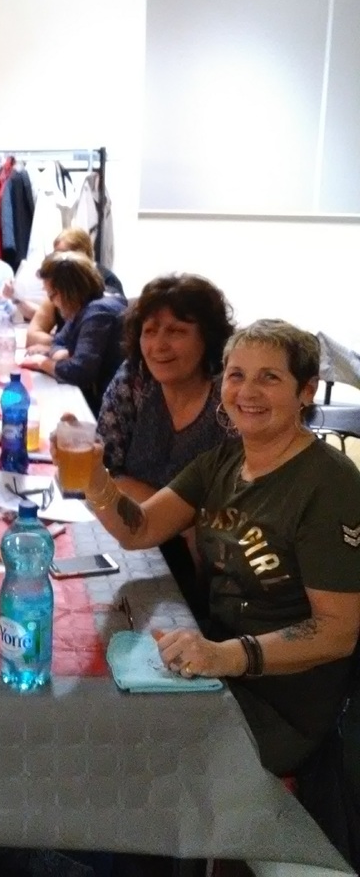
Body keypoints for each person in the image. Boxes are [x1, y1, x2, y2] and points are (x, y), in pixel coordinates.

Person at [82, 320, 360, 776]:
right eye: (237, 375)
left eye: (269, 377)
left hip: (280, 706)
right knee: (97, 717)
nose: (247, 391)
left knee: (126, 754)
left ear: (306, 391)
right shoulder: (223, 461)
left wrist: (227, 655)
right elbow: (141, 528)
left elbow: (337, 632)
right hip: (215, 667)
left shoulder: (330, 485)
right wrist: (92, 478)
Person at [96, 274, 235, 612]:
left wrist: (144, 499)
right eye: (150, 331)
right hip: (133, 542)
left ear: (207, 337)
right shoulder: (136, 380)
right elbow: (105, 471)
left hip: (211, 572)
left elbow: (227, 517)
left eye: (176, 331)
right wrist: (183, 519)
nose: (158, 345)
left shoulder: (230, 400)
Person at [21, 251, 126, 415]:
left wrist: (42, 363)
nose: (52, 302)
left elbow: (80, 372)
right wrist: (62, 354)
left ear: (68, 291)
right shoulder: (83, 305)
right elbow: (59, 341)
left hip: (111, 406)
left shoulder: (98, 312)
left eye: (52, 295)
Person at [22, 227, 124, 339]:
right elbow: (33, 334)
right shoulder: (57, 287)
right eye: (55, 255)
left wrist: (61, 347)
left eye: (64, 257)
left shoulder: (106, 289)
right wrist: (58, 345)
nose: (56, 262)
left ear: (82, 256)